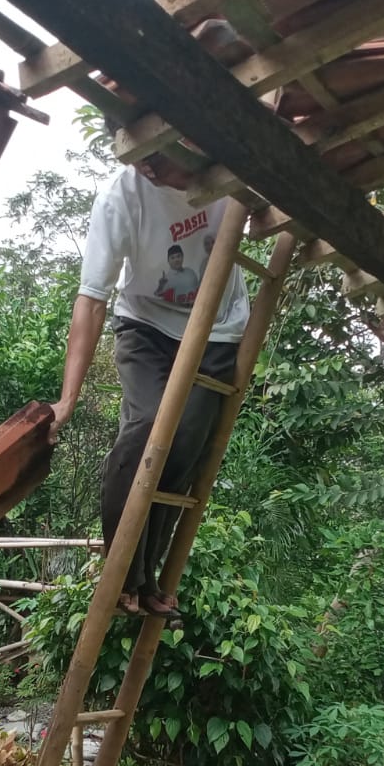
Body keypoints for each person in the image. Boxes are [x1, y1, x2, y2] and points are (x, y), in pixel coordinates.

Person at [49, 142, 251, 625]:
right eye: (138, 158)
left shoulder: (232, 168)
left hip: (217, 331)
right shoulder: (121, 198)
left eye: (158, 156)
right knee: (144, 427)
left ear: (188, 140)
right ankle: (123, 574)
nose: (148, 168)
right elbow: (91, 299)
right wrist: (67, 400)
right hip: (146, 328)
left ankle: (149, 579)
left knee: (183, 453)